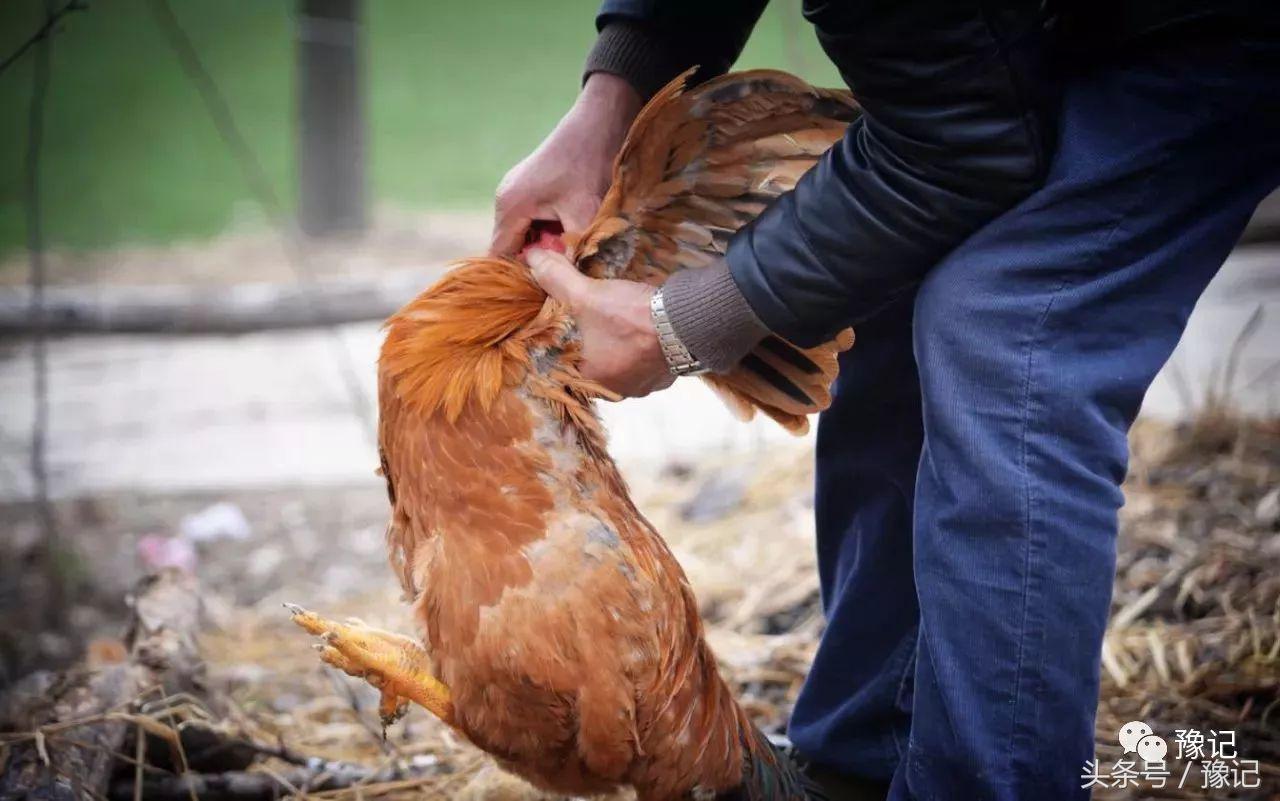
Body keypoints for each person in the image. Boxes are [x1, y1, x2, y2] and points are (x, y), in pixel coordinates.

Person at [490, 2, 1280, 798]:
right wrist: (612, 96)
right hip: (1049, 27)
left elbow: (960, 148)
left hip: (1209, 28)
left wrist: (682, 326)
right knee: (886, 264)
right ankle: (860, 760)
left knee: (1006, 320)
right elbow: (953, 140)